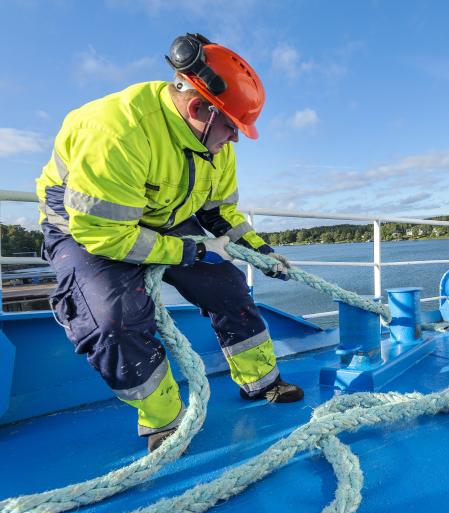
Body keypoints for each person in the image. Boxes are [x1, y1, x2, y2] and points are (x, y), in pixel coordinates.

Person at [35, 33, 303, 452]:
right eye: (232, 128)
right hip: (87, 229)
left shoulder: (214, 143)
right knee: (114, 320)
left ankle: (261, 381)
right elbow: (106, 234)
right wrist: (192, 250)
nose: (234, 140)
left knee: (229, 286)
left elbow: (219, 214)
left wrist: (261, 251)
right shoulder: (116, 131)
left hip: (162, 218)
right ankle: (163, 421)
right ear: (199, 107)